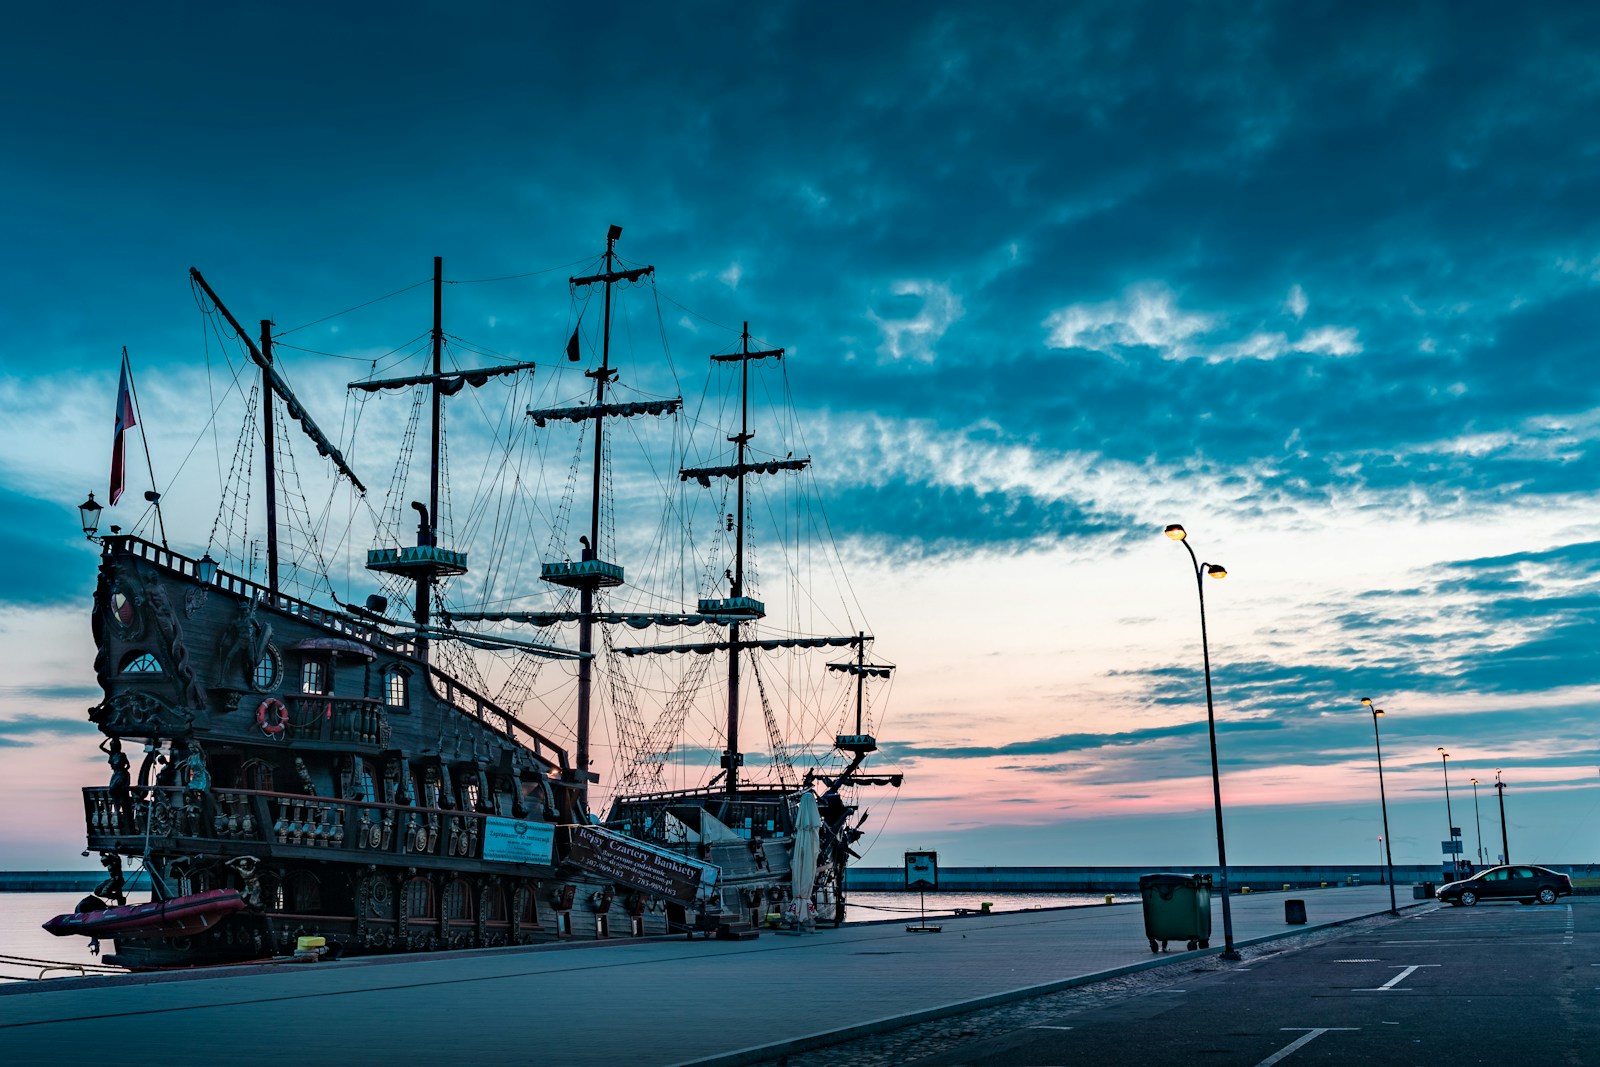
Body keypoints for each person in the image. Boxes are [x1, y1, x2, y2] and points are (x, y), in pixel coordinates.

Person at [100, 736, 132, 832]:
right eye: (112, 745)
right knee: (112, 790)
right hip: (116, 774)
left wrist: (123, 771)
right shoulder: (112, 754)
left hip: (121, 774)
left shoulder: (122, 755)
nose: (113, 746)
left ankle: (118, 809)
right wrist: (108, 739)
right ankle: (117, 808)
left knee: (114, 789)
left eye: (115, 745)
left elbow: (128, 765)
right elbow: (101, 747)